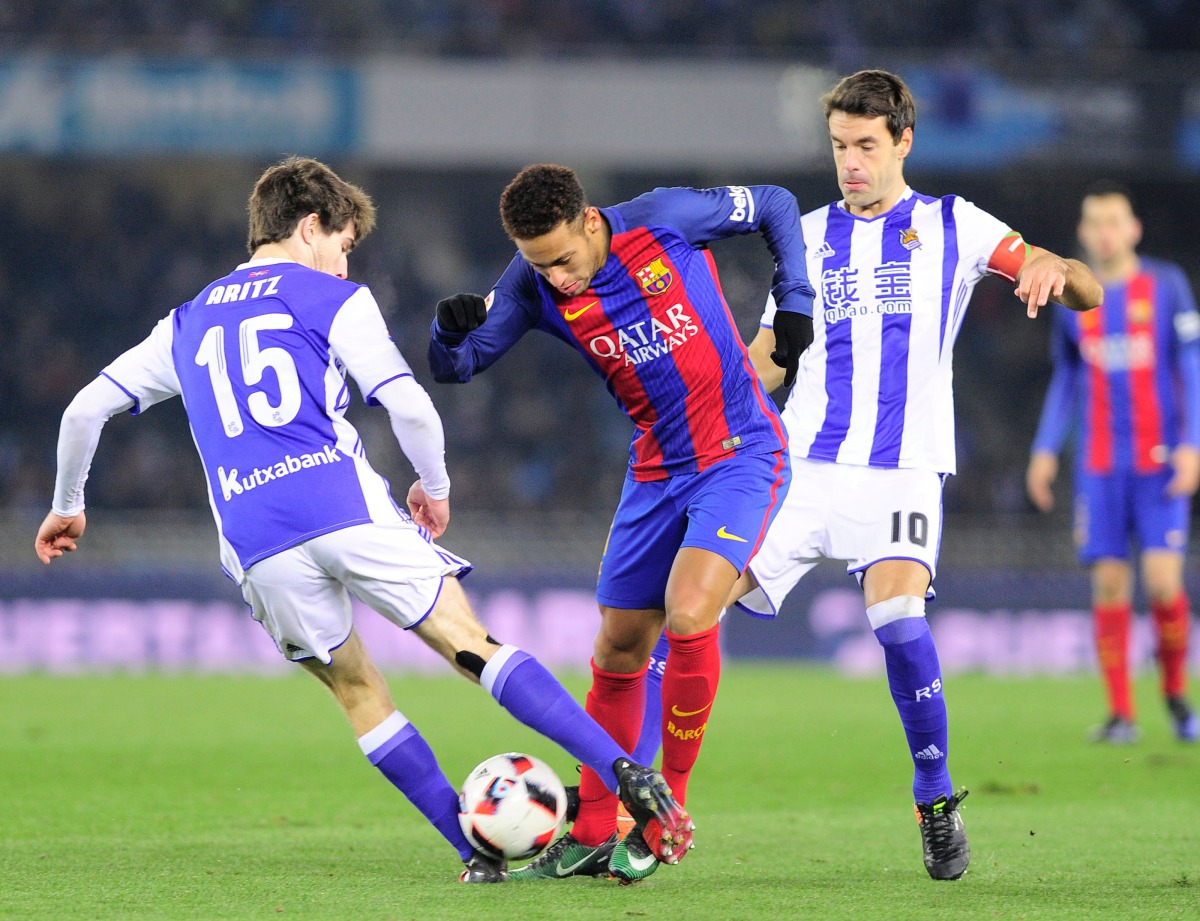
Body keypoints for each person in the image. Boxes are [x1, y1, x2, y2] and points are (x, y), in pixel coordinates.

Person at [34, 156, 691, 885]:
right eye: (345, 245)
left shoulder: (185, 323)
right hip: (339, 503)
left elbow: (83, 410)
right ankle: (623, 769)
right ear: (310, 226)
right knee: (469, 644)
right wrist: (434, 486)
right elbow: (406, 403)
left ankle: (473, 851)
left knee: (359, 693)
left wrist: (69, 506)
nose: (346, 265)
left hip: (256, 543)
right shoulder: (329, 299)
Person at [729, 70, 1103, 881]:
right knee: (685, 606)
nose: (850, 162)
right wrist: (709, 398)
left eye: (866, 145)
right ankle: (635, 795)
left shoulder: (953, 225)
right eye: (838, 146)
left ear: (903, 140)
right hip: (801, 468)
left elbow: (1077, 283)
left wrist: (1053, 267)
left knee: (897, 619)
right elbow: (771, 358)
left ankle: (933, 798)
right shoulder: (806, 236)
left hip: (902, 469)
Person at [428, 164, 814, 881]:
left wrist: (794, 298)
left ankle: (670, 810)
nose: (559, 279)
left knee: (691, 612)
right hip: (654, 470)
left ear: (589, 220)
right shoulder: (533, 278)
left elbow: (776, 204)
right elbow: (464, 363)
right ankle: (594, 830)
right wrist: (448, 331)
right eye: (540, 264)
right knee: (616, 650)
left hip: (739, 453)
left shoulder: (663, 217)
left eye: (565, 259)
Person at [1027, 183, 1199, 744]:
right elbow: (1067, 378)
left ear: (1133, 230)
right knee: (1108, 583)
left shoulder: (1166, 285)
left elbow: (1191, 367)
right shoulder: (1072, 299)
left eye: (1114, 221)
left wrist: (1193, 444)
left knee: (1163, 583)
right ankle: (1122, 715)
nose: (1104, 231)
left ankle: (1175, 695)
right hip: (1100, 467)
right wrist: (1045, 450)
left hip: (1159, 463)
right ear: (1083, 233)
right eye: (1094, 222)